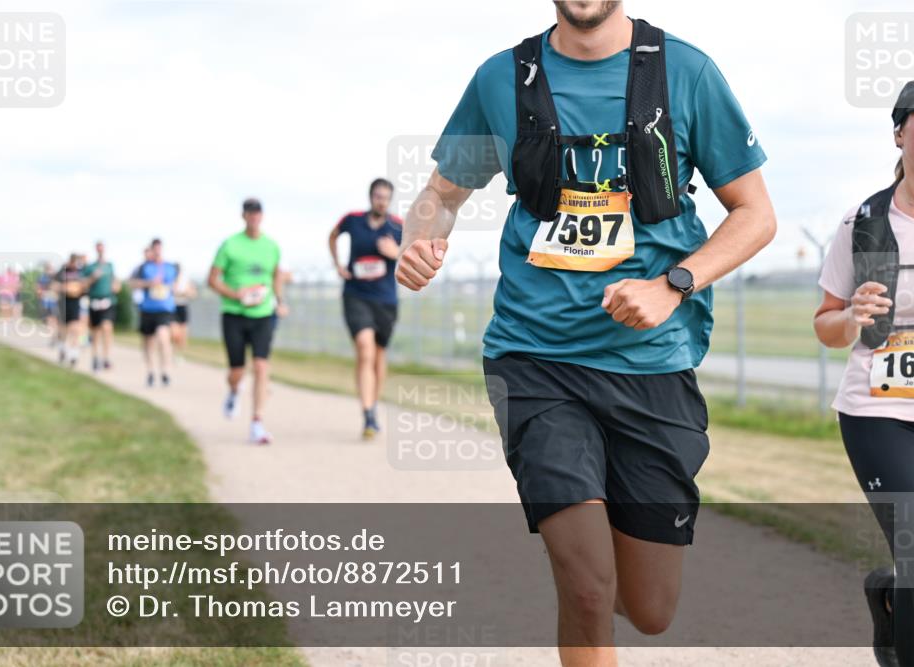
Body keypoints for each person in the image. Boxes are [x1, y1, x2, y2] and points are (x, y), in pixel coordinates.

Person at [396, 3, 775, 664]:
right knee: (590, 586)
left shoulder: (686, 72)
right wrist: (418, 240)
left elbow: (756, 214)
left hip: (651, 364)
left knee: (651, 608)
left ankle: (588, 575)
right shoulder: (500, 79)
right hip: (535, 357)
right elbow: (441, 193)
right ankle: (583, 578)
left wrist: (672, 285)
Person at [814, 81, 914, 667]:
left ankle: (892, 601)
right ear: (900, 133)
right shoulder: (864, 222)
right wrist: (852, 314)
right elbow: (825, 325)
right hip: (879, 410)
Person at [328, 178, 403, 439]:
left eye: (385, 197)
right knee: (364, 347)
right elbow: (333, 235)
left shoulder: (398, 226)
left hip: (385, 300)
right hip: (356, 295)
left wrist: (395, 252)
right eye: (377, 196)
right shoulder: (352, 219)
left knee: (379, 355)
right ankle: (368, 412)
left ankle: (374, 404)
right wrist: (338, 264)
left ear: (390, 200)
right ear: (370, 197)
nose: (380, 201)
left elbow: (409, 255)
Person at [208, 198, 286, 444]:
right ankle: (233, 390)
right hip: (234, 313)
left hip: (263, 314)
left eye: (257, 213)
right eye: (249, 213)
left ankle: (257, 423)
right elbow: (212, 280)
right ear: (243, 216)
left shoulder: (271, 246)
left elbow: (276, 276)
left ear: (262, 216)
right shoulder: (230, 245)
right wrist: (236, 294)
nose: (254, 217)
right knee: (237, 371)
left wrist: (280, 301)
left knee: (262, 366)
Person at [130, 239, 178, 387]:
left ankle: (165, 371)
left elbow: (177, 284)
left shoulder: (170, 267)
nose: (157, 251)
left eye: (159, 248)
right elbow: (132, 283)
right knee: (148, 343)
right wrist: (149, 284)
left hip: (164, 308)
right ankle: (151, 371)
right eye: (155, 249)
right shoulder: (143, 267)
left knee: (163, 338)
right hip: (147, 308)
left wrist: (172, 288)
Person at [81, 241, 119, 371]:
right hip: (94, 301)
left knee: (107, 327)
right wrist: (93, 277)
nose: (100, 251)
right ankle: (95, 358)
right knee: (96, 332)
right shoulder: (90, 267)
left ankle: (106, 358)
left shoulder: (110, 266)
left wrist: (115, 286)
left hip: (108, 301)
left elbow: (115, 281)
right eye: (98, 249)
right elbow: (83, 284)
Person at [55, 254, 85, 367]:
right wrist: (66, 288)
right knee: (63, 331)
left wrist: (78, 289)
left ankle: (73, 355)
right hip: (63, 304)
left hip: (75, 304)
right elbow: (54, 285)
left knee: (75, 330)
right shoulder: (62, 271)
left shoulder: (81, 272)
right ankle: (62, 350)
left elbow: (84, 286)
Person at [171, 263, 197, 358]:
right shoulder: (169, 279)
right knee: (175, 333)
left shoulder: (185, 281)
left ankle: (178, 353)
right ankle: (172, 350)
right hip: (172, 307)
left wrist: (185, 293)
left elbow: (193, 293)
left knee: (183, 335)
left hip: (183, 306)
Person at [36, 262, 59, 344]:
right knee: (49, 318)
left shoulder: (55, 277)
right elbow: (38, 288)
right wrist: (40, 295)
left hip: (54, 301)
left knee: (54, 319)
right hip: (47, 300)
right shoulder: (42, 277)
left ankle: (55, 336)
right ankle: (53, 336)